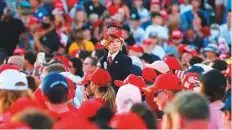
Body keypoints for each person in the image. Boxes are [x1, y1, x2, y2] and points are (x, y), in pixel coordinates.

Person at [100, 27, 132, 92]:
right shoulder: (103, 59)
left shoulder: (126, 59)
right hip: (105, 94)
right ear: (106, 44)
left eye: (117, 41)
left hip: (119, 93)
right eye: (111, 41)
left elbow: (125, 81)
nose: (115, 44)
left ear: (121, 43)